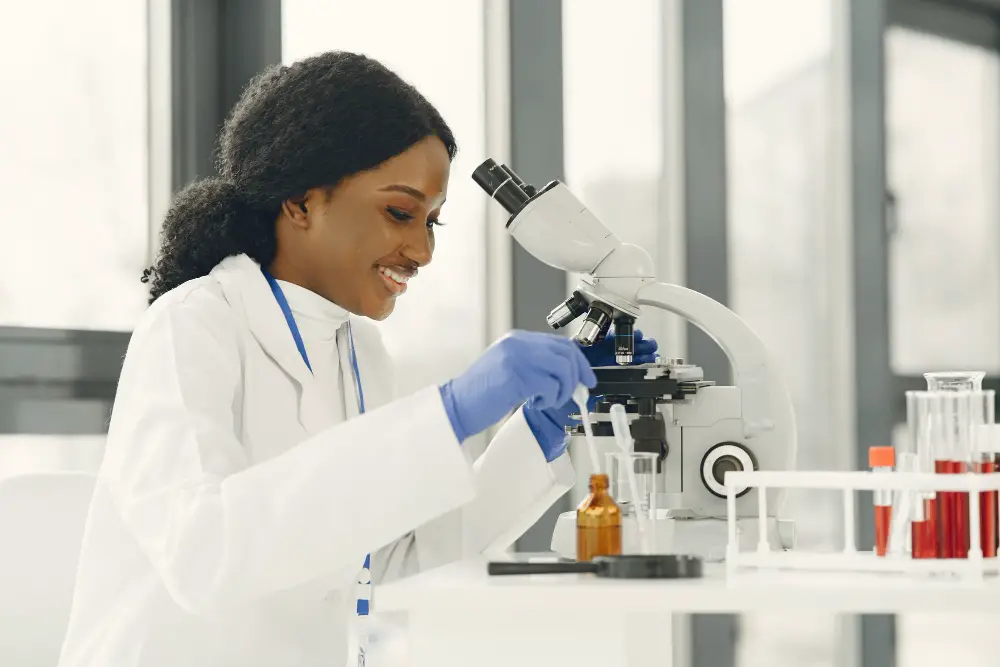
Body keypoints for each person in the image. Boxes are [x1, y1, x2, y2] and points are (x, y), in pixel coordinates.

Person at [57, 51, 658, 667]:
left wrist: (533, 435)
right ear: (300, 201)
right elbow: (203, 554)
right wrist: (446, 413)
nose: (421, 251)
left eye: (432, 223)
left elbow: (383, 563)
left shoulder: (357, 349)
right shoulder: (193, 325)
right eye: (400, 213)